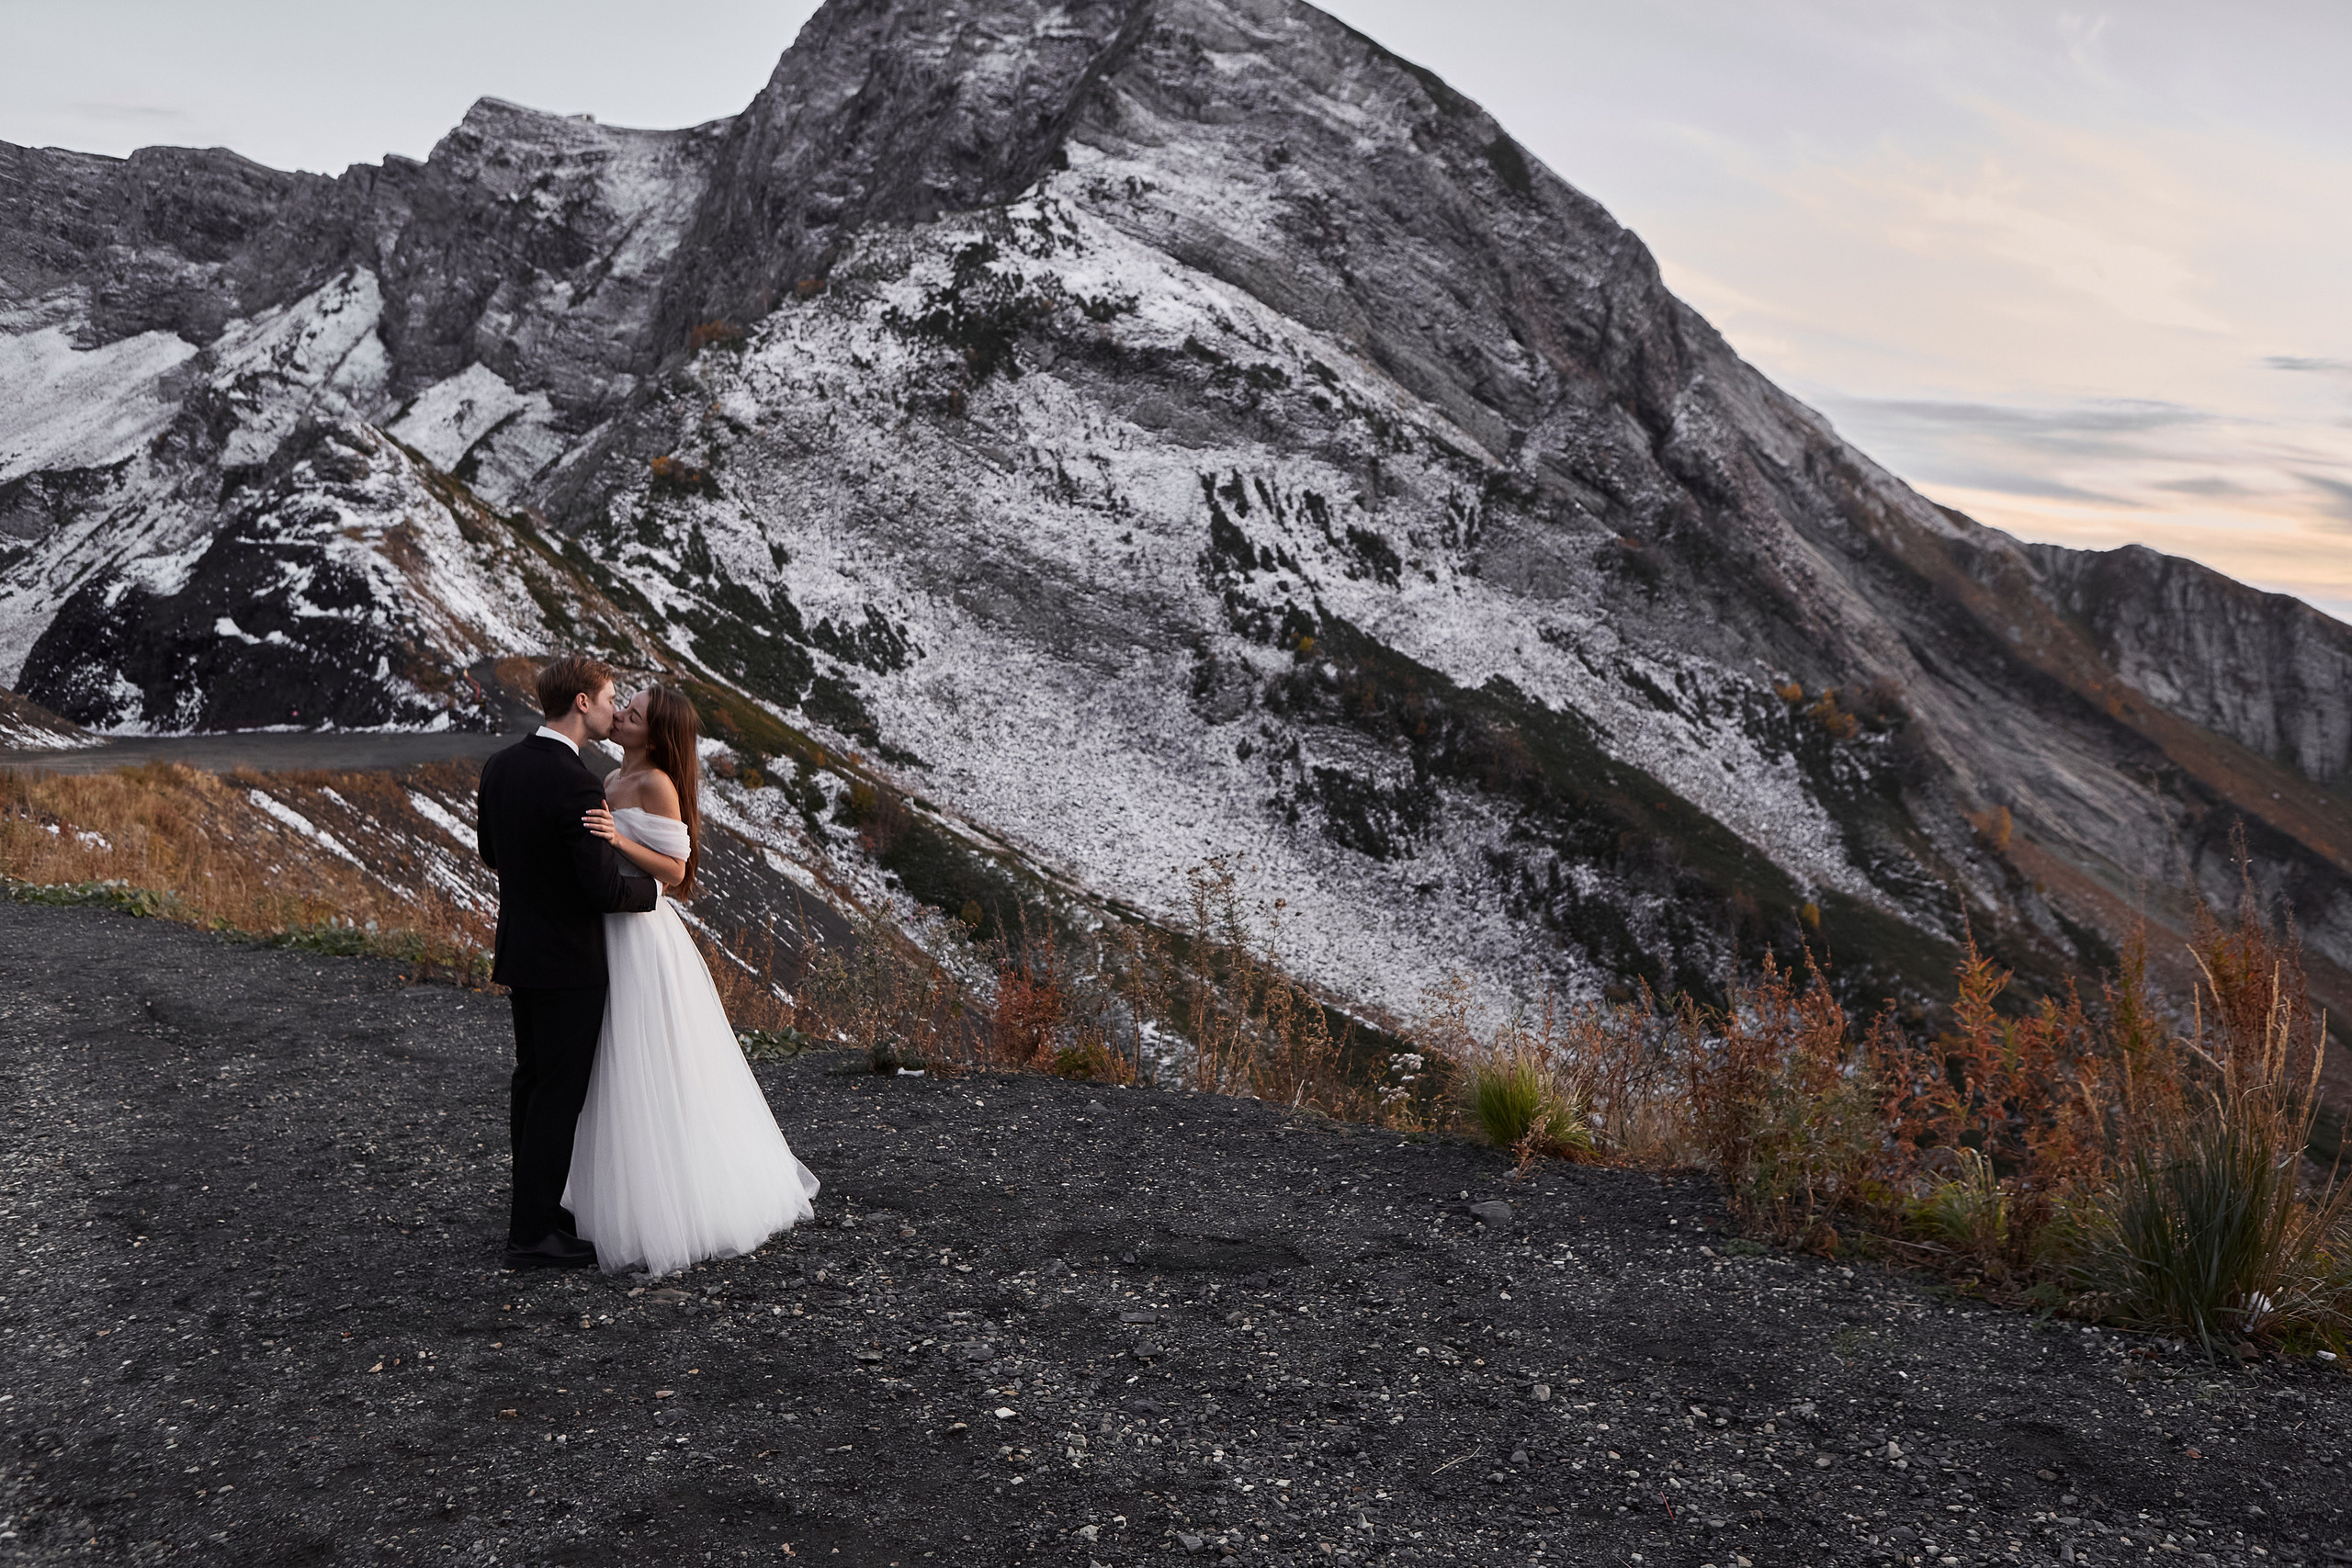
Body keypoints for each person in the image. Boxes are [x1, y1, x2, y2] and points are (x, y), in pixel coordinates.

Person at [564, 682, 820, 1275]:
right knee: (613, 1059)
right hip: (610, 925)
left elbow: (678, 873)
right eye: (625, 707)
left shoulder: (656, 784)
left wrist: (618, 838)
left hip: (645, 934)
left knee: (651, 1055)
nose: (623, 715)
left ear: (656, 734)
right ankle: (622, 1194)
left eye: (636, 715)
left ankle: (674, 1203)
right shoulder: (608, 781)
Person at [475, 655, 661, 1269]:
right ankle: (532, 1235)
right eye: (610, 697)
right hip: (570, 962)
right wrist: (654, 893)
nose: (615, 707)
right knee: (558, 1095)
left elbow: (490, 852)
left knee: (530, 1086)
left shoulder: (501, 765)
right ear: (581, 701)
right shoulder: (577, 782)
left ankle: (535, 1213)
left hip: (521, 952)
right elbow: (604, 890)